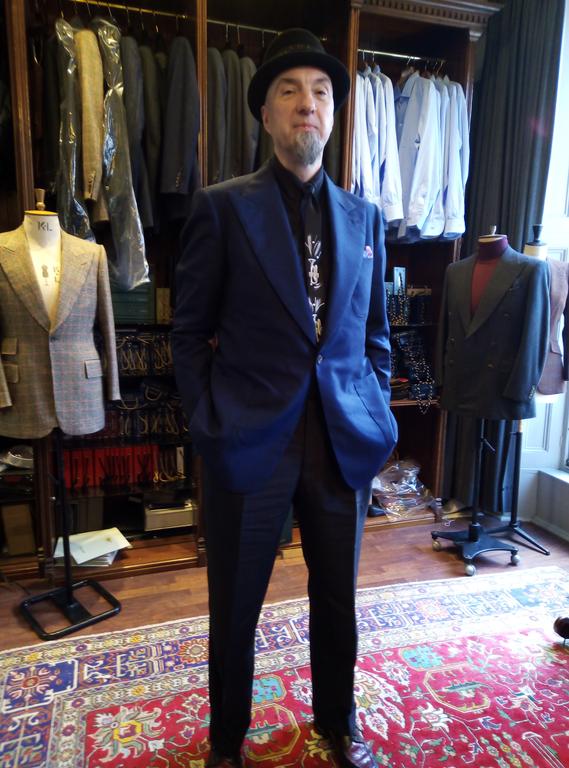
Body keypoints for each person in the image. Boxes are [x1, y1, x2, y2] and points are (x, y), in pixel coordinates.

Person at [172, 28, 396, 768]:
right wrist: (208, 421)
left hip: (339, 441)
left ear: (333, 114)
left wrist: (374, 406)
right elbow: (189, 331)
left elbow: (375, 334)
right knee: (236, 605)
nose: (308, 103)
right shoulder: (221, 208)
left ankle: (338, 723)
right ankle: (226, 743)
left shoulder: (365, 219)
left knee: (337, 599)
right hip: (249, 440)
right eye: (290, 91)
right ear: (266, 115)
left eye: (321, 92)